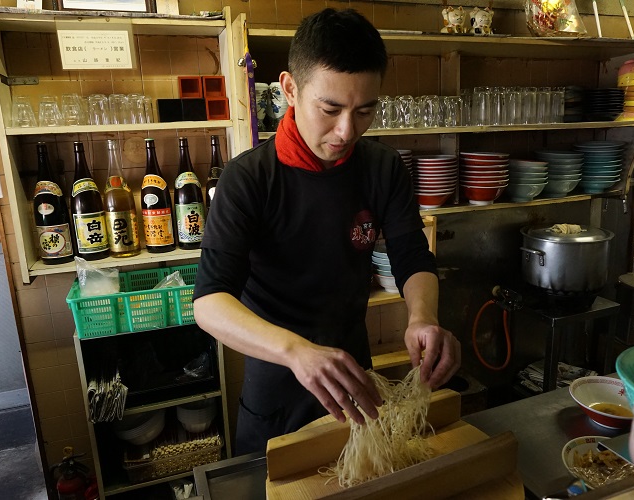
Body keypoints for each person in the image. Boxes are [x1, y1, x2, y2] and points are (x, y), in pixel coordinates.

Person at [193, 8, 460, 455]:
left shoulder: (382, 167)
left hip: (357, 378)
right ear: (290, 89)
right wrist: (297, 352)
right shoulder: (248, 180)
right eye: (330, 109)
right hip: (277, 382)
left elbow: (412, 256)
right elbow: (209, 303)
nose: (345, 131)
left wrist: (422, 317)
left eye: (365, 111)